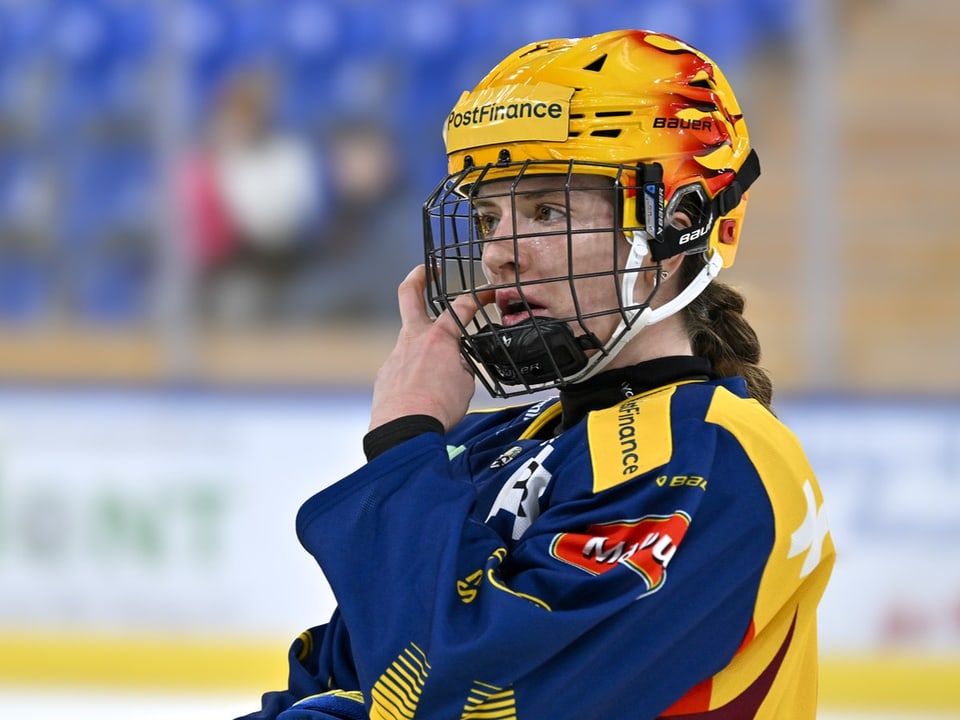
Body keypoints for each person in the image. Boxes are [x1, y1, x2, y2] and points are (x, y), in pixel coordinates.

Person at [239, 29, 835, 719]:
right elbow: (339, 672)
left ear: (677, 225)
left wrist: (405, 441)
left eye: (546, 211)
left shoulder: (719, 462)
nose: (499, 255)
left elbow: (467, 697)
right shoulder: (497, 445)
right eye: (490, 218)